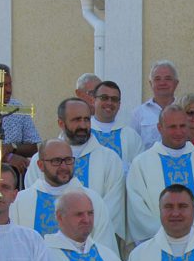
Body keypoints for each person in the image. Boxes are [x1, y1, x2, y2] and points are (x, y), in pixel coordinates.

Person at [25, 98, 126, 246]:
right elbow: (31, 202)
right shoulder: (39, 160)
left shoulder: (110, 159)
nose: (83, 125)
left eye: (86, 119)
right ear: (61, 123)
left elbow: (112, 207)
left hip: (90, 242)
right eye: (77, 120)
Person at [126, 104, 194, 244]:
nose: (178, 132)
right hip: (157, 242)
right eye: (172, 127)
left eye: (182, 126)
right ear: (160, 128)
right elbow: (138, 209)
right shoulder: (141, 164)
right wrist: (166, 235)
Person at [9, 139, 116, 246]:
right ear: (41, 165)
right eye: (56, 161)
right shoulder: (20, 201)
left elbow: (104, 246)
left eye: (68, 160)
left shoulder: (92, 199)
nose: (64, 166)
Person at [90, 80, 144, 174]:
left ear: (119, 105)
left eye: (114, 99)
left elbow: (141, 170)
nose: (109, 103)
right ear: (93, 100)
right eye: (104, 97)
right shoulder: (82, 132)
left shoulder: (131, 136)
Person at [130, 60, 179, 149]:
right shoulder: (138, 114)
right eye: (157, 79)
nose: (162, 83)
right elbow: (132, 146)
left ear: (176, 83)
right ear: (150, 83)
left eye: (168, 78)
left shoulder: (185, 110)